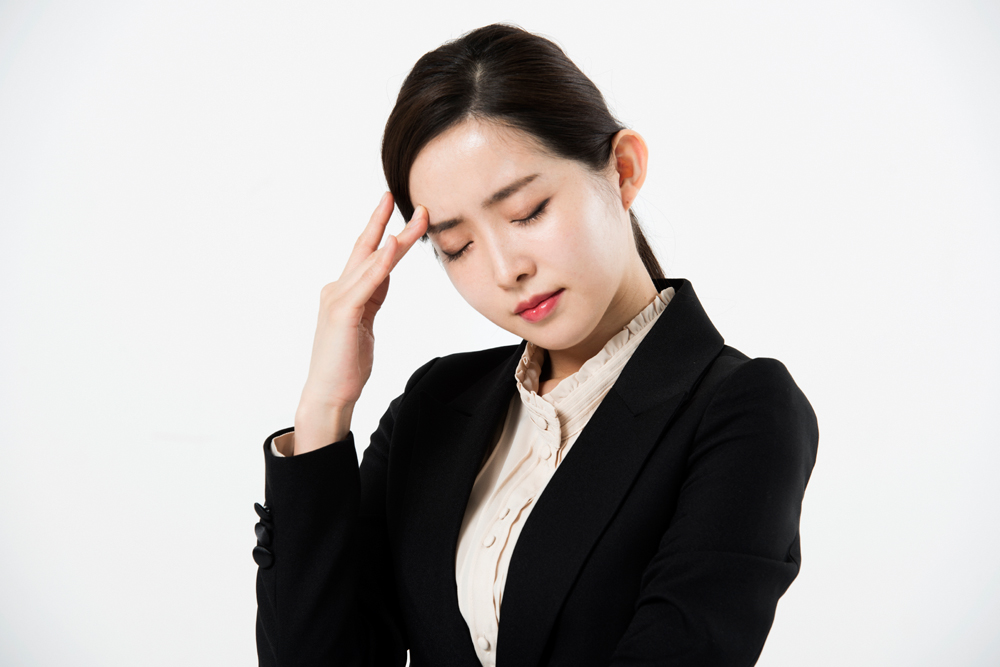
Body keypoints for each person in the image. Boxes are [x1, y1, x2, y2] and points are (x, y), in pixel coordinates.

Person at [252, 23, 818, 667]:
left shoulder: (742, 409)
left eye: (527, 212)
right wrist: (324, 410)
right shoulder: (435, 405)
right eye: (458, 246)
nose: (505, 269)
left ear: (623, 170)